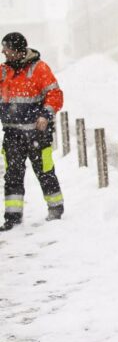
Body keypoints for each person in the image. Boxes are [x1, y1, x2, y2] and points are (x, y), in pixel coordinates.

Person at [0, 32, 64, 231]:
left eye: (7, 48)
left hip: (38, 134)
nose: (3, 51)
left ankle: (56, 209)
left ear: (18, 50)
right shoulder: (2, 72)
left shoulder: (39, 68)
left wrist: (45, 114)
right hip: (12, 135)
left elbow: (55, 94)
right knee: (12, 175)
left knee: (45, 172)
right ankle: (12, 218)